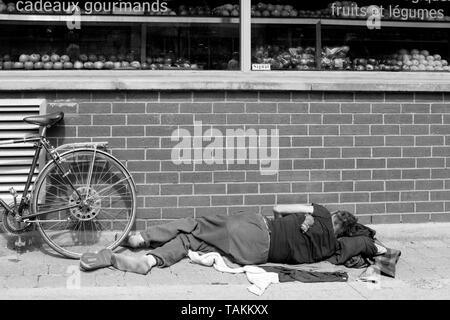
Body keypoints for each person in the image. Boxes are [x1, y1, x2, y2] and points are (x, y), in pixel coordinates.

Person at [80, 203, 377, 275]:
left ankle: (141, 238)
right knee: (191, 242)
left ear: (335, 217)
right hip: (257, 256)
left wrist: (308, 215)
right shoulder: (329, 250)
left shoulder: (321, 213)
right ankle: (149, 260)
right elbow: (366, 243)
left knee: (195, 224)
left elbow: (277, 208)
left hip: (259, 228)